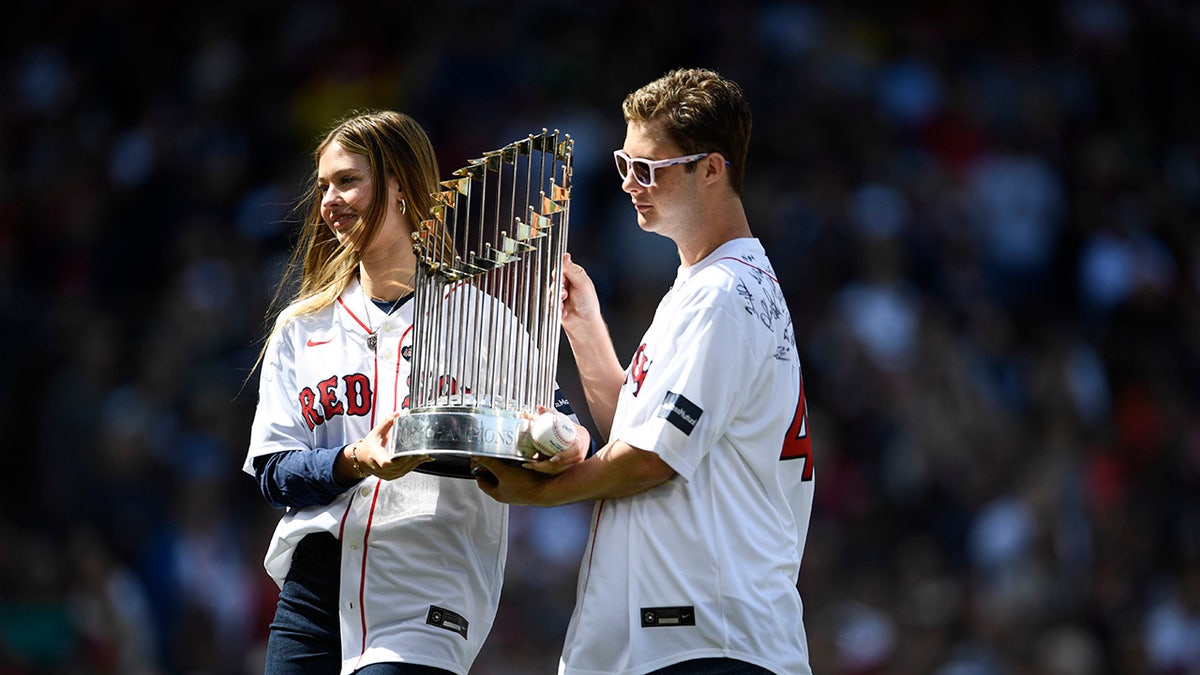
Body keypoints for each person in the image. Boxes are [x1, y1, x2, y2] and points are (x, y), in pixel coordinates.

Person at [473, 68, 817, 674]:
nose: (631, 184)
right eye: (623, 164)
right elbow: (636, 433)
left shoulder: (721, 293)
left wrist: (540, 493)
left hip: (709, 641)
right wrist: (584, 327)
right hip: (699, 637)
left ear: (711, 169)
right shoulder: (710, 284)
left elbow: (651, 459)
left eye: (649, 169)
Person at [243, 109, 583, 675]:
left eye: (348, 180)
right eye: (324, 185)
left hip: (428, 584)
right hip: (313, 594)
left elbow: (562, 430)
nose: (330, 199)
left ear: (401, 185)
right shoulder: (303, 327)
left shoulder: (480, 321)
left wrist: (555, 444)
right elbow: (275, 473)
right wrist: (356, 460)